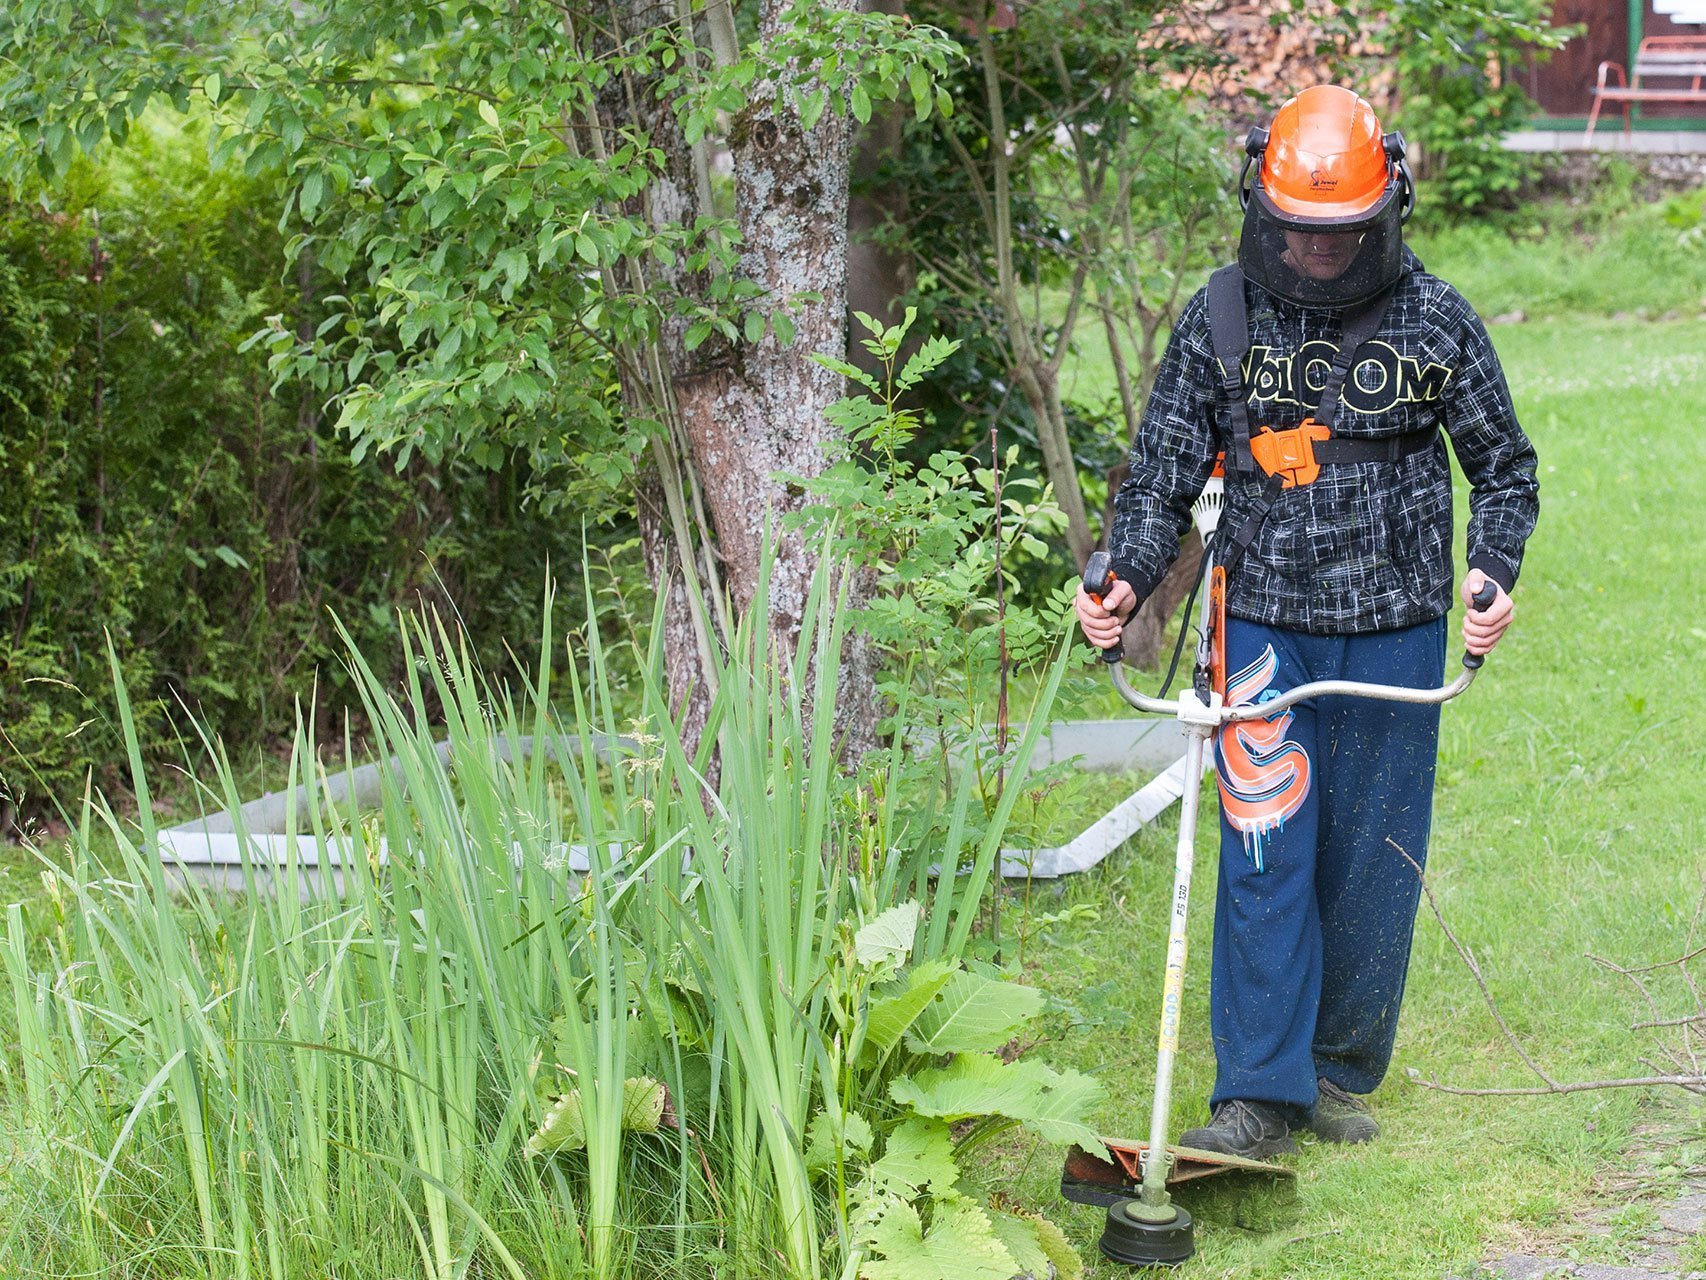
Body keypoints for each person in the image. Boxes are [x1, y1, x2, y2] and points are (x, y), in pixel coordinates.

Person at [1075, 85, 1539, 1157]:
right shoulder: (1219, 317)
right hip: (1262, 626)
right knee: (1262, 848)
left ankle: (1328, 1070)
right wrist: (1122, 577)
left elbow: (1503, 470)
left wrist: (1490, 570)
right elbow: (1155, 480)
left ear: (1386, 212)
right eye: (1294, 226)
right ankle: (1255, 1094)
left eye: (1338, 232)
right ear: (1260, 204)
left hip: (1395, 626)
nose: (1313, 248)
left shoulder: (1436, 321)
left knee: (1370, 860)